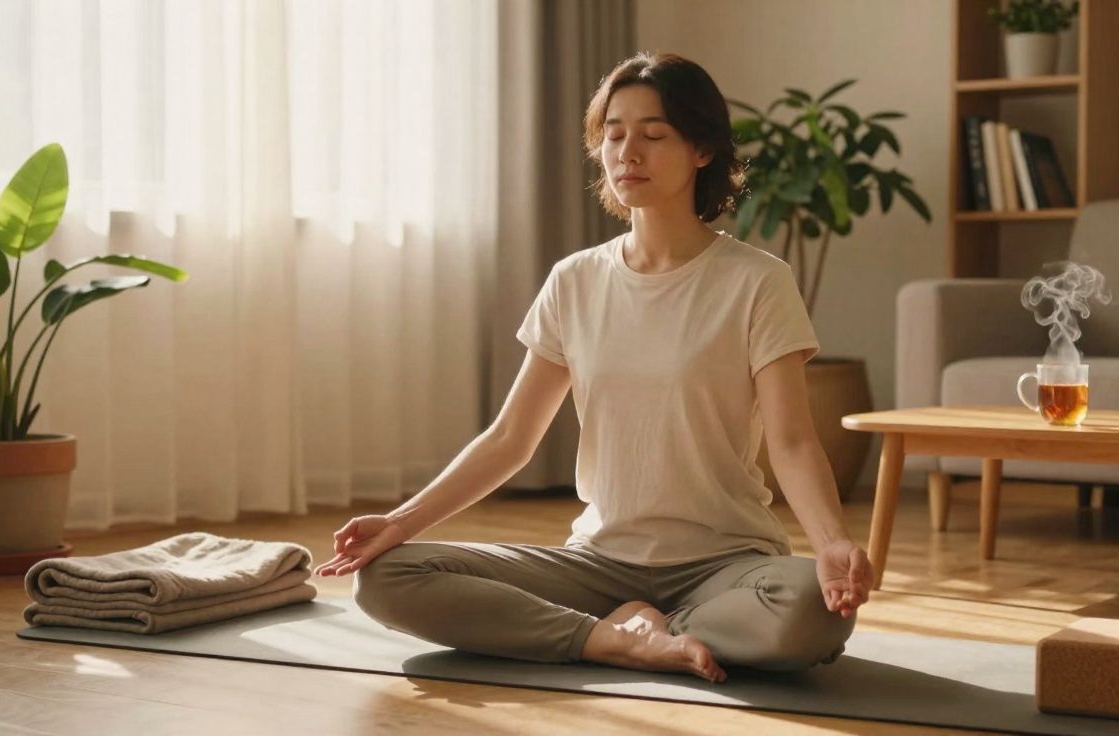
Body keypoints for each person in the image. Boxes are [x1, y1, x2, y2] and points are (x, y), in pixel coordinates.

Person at [313, 51, 874, 684]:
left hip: (726, 563)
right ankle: (612, 639)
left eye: (654, 134)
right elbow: (510, 439)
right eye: (613, 134)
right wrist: (399, 522)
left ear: (702, 150)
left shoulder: (758, 282)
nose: (628, 151)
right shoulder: (574, 281)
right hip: (597, 563)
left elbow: (793, 441)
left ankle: (644, 625)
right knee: (387, 577)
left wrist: (830, 543)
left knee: (810, 609)